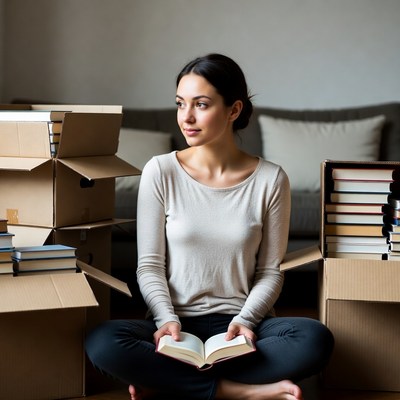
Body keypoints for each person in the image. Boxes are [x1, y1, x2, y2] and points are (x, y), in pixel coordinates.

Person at [85, 53, 334, 400]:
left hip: (242, 329)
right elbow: (150, 266)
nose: (186, 117)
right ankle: (239, 391)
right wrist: (165, 321)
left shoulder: (271, 179)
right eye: (180, 104)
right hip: (175, 327)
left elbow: (270, 272)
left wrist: (246, 322)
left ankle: (170, 383)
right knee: (102, 343)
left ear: (233, 110)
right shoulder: (161, 171)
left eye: (201, 105)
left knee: (314, 339)